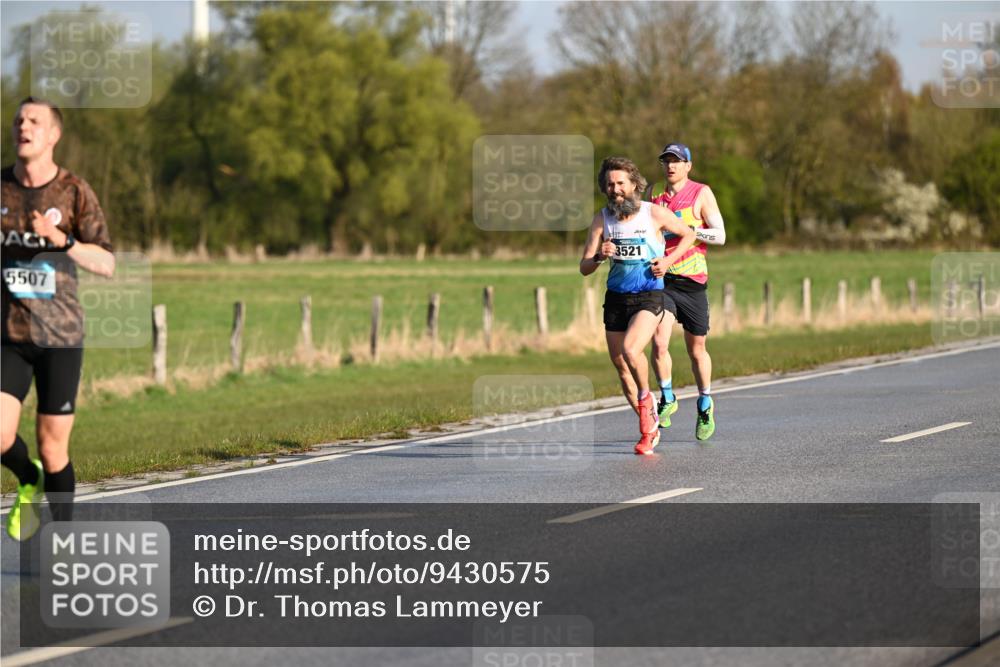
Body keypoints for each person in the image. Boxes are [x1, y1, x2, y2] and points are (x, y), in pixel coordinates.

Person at [2, 97, 115, 540]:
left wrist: (60, 240)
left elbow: (106, 263)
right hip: (7, 333)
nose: (22, 126)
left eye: (33, 120)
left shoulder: (73, 191)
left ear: (53, 135)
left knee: (53, 450)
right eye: (17, 120)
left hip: (60, 336)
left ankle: (64, 540)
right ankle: (26, 479)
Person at [580, 157, 695, 455]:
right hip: (617, 297)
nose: (615, 189)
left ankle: (647, 408)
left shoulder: (654, 213)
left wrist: (669, 260)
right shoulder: (601, 219)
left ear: (633, 184)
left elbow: (688, 234)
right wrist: (599, 257)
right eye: (609, 184)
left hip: (649, 295)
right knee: (621, 366)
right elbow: (584, 266)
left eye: (620, 183)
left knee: (632, 350)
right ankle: (650, 424)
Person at [643, 142, 726, 441]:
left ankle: (704, 402)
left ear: (688, 166)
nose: (671, 166)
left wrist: (687, 230)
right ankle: (667, 397)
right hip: (662, 279)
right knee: (658, 341)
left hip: (693, 280)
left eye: (677, 161)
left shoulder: (701, 192)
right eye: (666, 161)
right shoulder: (653, 194)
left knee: (696, 349)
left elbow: (720, 235)